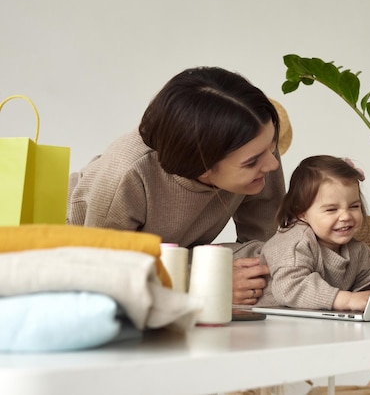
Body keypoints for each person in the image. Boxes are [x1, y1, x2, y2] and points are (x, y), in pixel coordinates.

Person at [66, 66, 286, 305]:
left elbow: (268, 247)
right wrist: (207, 282)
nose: (272, 164)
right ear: (202, 166)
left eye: (272, 144)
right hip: (81, 257)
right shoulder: (126, 173)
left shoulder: (256, 146)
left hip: (167, 257)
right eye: (252, 162)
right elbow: (104, 272)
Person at [255, 155, 370, 311]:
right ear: (301, 213)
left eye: (354, 206)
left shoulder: (357, 250)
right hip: (257, 317)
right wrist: (346, 300)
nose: (346, 216)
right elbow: (290, 286)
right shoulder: (295, 243)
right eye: (331, 209)